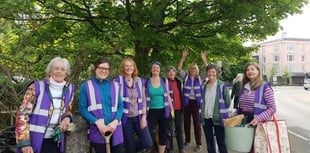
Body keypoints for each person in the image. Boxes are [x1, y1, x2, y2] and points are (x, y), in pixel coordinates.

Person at [15, 57, 76, 153]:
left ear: (66, 74)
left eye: (62, 69)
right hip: (34, 140)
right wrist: (24, 142)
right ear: (50, 72)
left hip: (56, 140)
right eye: (56, 68)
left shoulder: (70, 89)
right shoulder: (36, 87)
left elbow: (68, 108)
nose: (59, 72)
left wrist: (67, 117)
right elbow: (22, 115)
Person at [79, 57, 124, 153]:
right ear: (95, 69)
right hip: (98, 130)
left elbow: (120, 106)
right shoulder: (86, 86)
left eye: (106, 69)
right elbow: (82, 109)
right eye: (101, 68)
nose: (103, 71)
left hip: (115, 130)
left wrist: (116, 121)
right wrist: (96, 122)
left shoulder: (115, 86)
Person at [114, 58, 152, 153]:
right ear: (122, 68)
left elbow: (143, 100)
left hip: (139, 117)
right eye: (126, 65)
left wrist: (144, 117)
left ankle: (131, 149)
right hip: (125, 119)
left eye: (131, 65)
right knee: (129, 146)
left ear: (134, 68)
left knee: (148, 143)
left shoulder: (140, 81)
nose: (129, 67)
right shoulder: (117, 81)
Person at [177, 48, 208, 152]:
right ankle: (187, 141)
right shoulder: (185, 77)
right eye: (191, 69)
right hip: (186, 103)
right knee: (186, 123)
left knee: (197, 124)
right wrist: (183, 57)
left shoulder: (200, 77)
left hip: (197, 103)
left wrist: (204, 59)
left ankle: (199, 144)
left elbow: (208, 70)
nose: (192, 70)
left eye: (194, 69)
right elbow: (179, 69)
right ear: (189, 70)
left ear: (197, 70)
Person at [201, 63, 231, 153]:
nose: (211, 74)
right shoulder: (204, 86)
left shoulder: (222, 85)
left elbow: (228, 102)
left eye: (213, 72)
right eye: (209, 72)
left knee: (221, 143)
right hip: (206, 118)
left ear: (217, 73)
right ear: (206, 73)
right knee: (209, 143)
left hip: (219, 118)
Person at [145, 61, 173, 153]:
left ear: (160, 70)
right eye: (153, 67)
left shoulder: (164, 81)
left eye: (157, 68)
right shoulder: (147, 82)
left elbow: (168, 95)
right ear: (151, 69)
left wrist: (172, 109)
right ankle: (149, 147)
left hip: (164, 111)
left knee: (163, 133)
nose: (155, 69)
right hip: (151, 111)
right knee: (147, 132)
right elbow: (144, 97)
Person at [238, 62, 276, 126]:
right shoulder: (244, 87)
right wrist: (235, 113)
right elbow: (242, 107)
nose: (250, 71)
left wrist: (258, 119)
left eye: (252, 69)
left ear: (258, 71)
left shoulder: (265, 87)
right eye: (247, 70)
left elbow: (273, 108)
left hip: (259, 124)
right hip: (245, 122)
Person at [166, 66, 186, 153]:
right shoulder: (164, 82)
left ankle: (181, 148)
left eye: (173, 71)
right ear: (167, 73)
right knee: (169, 129)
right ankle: (170, 148)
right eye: (169, 72)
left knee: (179, 129)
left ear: (175, 73)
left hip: (178, 109)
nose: (171, 73)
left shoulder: (179, 82)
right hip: (169, 109)